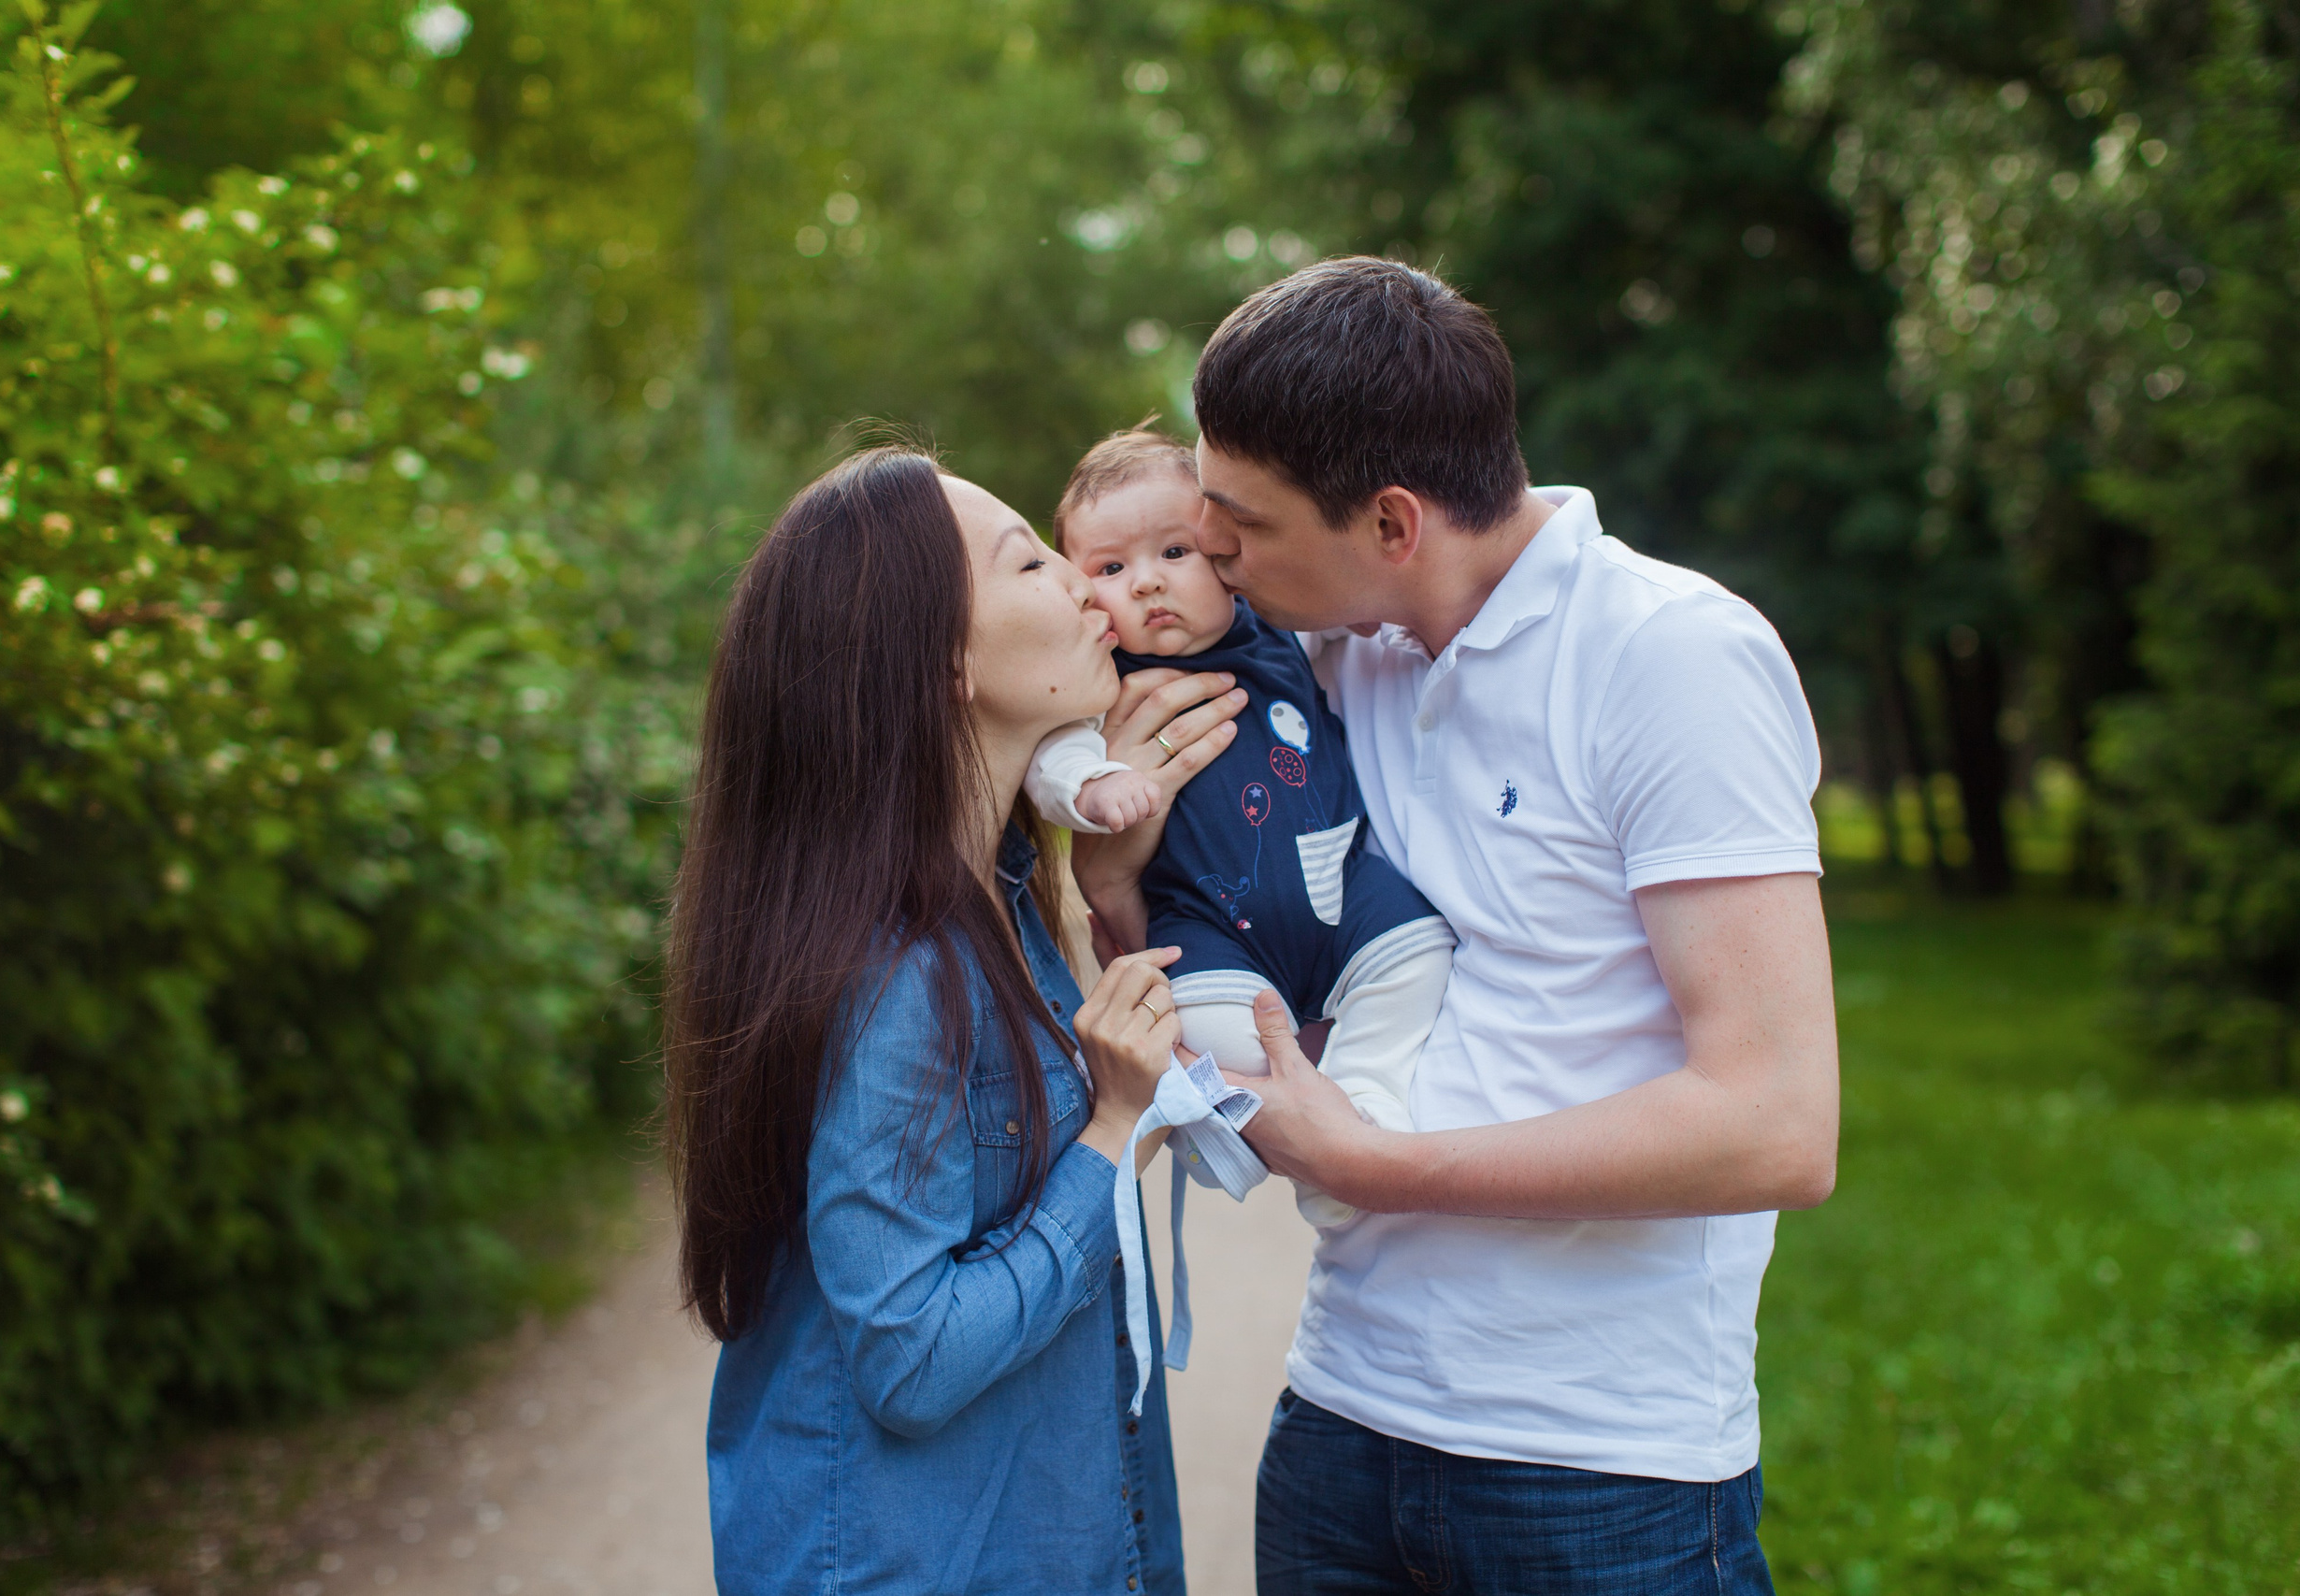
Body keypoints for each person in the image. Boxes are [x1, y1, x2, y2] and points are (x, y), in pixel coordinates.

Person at [1074, 259, 1841, 1594]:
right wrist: (1117, 874)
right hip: (1339, 1415)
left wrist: (1378, 1164)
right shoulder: (1330, 654)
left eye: (1238, 527)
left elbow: (1775, 1121)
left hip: (1598, 1466)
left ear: (1392, 521)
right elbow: (1230, 920)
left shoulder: (1669, 657)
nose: (1214, 556)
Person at [662, 446, 1243, 1596]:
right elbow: (913, 1358)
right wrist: (1109, 1133)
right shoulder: (897, 971)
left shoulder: (1003, 898)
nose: (1086, 584)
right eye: (1031, 563)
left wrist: (1111, 875)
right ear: (943, 665)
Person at [1025, 427, 1455, 1230]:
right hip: (1210, 919)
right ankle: (1229, 1136)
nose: (1148, 582)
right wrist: (1092, 785)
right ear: (1083, 598)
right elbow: (1054, 759)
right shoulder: (1102, 685)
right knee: (1213, 1027)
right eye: (1111, 569)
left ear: (1224, 553)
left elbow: (1345, 603)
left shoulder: (1278, 627)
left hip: (1340, 882)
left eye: (1175, 552)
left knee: (1420, 951)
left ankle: (1362, 1101)